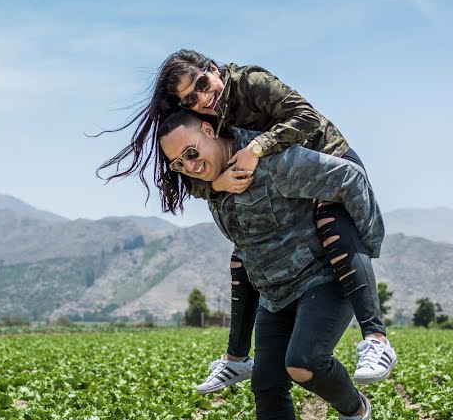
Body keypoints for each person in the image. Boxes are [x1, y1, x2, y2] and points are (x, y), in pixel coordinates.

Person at [97, 49, 396, 393]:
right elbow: (196, 166)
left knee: (332, 224)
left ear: (213, 69)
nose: (202, 98)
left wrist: (255, 149)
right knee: (244, 254)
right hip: (287, 177)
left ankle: (376, 339)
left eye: (203, 84)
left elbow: (307, 119)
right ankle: (236, 359)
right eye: (190, 98)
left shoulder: (249, 83)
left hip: (327, 157)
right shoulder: (205, 118)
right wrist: (216, 183)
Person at [156, 109, 383, 420]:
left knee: (302, 363)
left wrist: (365, 249)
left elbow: (350, 178)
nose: (189, 165)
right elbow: (208, 185)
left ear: (210, 130)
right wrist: (205, 179)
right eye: (178, 162)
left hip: (324, 279)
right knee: (266, 384)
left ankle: (354, 411)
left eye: (192, 152)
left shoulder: (271, 161)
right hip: (275, 294)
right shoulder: (209, 181)